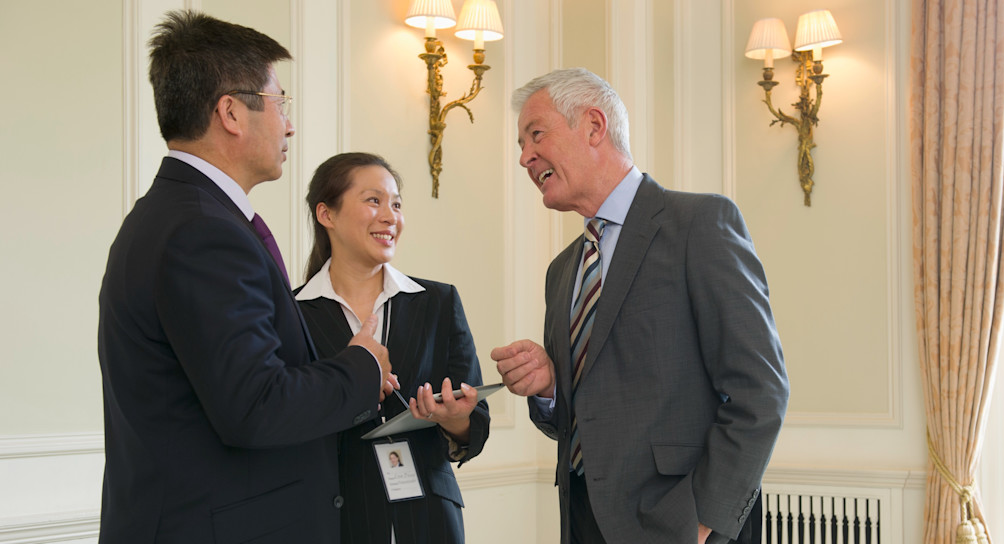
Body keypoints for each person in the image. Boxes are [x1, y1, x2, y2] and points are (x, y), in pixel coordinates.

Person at [97, 11, 396, 543]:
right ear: (231, 113)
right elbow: (255, 405)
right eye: (281, 103)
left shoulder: (171, 215)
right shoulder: (202, 231)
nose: (289, 124)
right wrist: (362, 367)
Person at [491, 67, 789, 544]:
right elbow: (586, 418)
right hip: (584, 523)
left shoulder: (700, 223)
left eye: (536, 134)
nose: (525, 156)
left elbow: (761, 391)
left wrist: (702, 523)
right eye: (521, 145)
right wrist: (548, 388)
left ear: (593, 126)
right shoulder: (562, 270)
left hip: (684, 525)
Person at [295, 152, 490, 544]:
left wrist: (455, 418)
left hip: (430, 519)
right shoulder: (291, 312)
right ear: (326, 214)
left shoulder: (439, 301)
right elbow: (287, 413)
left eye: (396, 204)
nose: (390, 216)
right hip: (334, 518)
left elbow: (475, 425)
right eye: (374, 201)